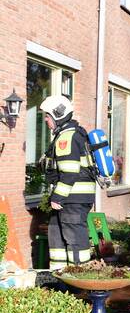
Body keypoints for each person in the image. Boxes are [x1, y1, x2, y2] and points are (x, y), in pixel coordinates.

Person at [40, 95, 96, 269]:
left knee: (75, 240)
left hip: (72, 199)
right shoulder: (70, 134)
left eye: (47, 117)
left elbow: (70, 172)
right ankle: (60, 278)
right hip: (71, 199)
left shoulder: (67, 138)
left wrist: (57, 197)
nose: (46, 121)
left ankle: (80, 282)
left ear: (57, 115)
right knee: (56, 235)